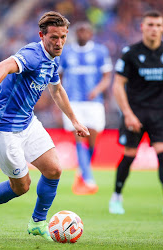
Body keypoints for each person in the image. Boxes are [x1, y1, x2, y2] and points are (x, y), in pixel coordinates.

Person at [0, 11, 89, 241]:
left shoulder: (54, 57)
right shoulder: (32, 55)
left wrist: (74, 120)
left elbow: (56, 90)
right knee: (21, 187)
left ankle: (38, 222)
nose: (59, 42)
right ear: (41, 35)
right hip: (3, 128)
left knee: (54, 169)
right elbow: (1, 67)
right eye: (54, 37)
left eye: (63, 37)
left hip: (27, 122)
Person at [109, 10, 163, 215]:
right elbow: (118, 85)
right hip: (135, 112)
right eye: (150, 25)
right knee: (130, 155)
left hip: (160, 113)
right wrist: (127, 113)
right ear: (142, 27)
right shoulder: (130, 53)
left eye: (158, 25)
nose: (154, 29)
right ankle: (116, 197)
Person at [59, 22, 112, 195]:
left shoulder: (100, 51)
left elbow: (106, 77)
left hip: (94, 102)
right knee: (79, 138)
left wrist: (96, 90)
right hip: (73, 102)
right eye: (80, 31)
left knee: (92, 140)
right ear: (76, 34)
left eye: (86, 31)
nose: (83, 33)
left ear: (91, 34)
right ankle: (89, 180)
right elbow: (58, 77)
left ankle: (81, 172)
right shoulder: (66, 52)